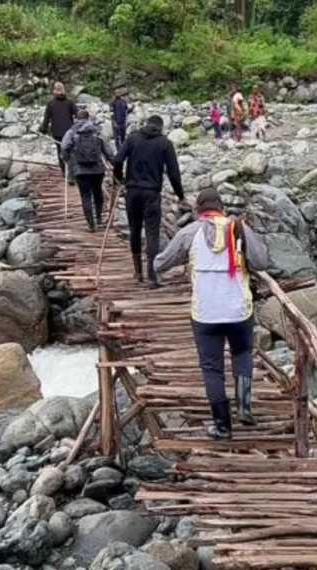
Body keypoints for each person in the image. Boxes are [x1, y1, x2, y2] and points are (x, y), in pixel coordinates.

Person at [154, 188, 269, 438]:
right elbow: (261, 262)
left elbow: (160, 263)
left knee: (212, 368)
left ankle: (222, 426)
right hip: (239, 310)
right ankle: (244, 406)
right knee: (241, 354)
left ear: (198, 210)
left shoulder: (189, 232)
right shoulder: (238, 228)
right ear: (221, 208)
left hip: (205, 313)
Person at [114, 115, 186, 286]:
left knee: (135, 230)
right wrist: (180, 195)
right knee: (152, 232)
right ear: (160, 127)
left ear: (146, 124)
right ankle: (152, 275)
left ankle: (138, 271)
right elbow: (174, 174)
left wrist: (120, 178)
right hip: (152, 193)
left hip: (132, 191)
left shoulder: (132, 139)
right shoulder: (164, 143)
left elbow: (117, 160)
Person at [61, 110, 113, 232]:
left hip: (80, 170)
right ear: (89, 118)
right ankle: (99, 217)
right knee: (97, 193)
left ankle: (91, 224)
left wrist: (69, 160)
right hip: (97, 169)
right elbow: (107, 150)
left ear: (76, 118)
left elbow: (64, 147)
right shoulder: (97, 131)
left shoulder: (72, 132)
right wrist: (113, 162)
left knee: (85, 196)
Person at [40, 81, 77, 177]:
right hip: (69, 132)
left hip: (57, 132)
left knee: (60, 151)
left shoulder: (51, 103)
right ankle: (72, 171)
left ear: (55, 91)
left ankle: (65, 171)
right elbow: (77, 114)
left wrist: (43, 130)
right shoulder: (69, 102)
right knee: (70, 150)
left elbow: (46, 118)